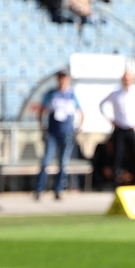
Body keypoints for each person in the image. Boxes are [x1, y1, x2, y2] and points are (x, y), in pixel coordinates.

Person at [35, 71, 82, 200]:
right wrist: (42, 126)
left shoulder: (72, 95)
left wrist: (79, 127)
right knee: (46, 161)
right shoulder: (51, 94)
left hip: (67, 133)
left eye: (64, 78)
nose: (62, 80)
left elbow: (81, 111)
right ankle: (39, 189)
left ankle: (58, 190)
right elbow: (41, 110)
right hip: (52, 133)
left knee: (63, 162)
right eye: (60, 78)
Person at [99, 71, 135, 185]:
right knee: (117, 155)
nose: (126, 81)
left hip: (130, 129)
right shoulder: (115, 93)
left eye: (129, 78)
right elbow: (102, 105)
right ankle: (115, 183)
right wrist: (112, 121)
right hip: (119, 130)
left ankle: (134, 181)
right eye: (125, 78)